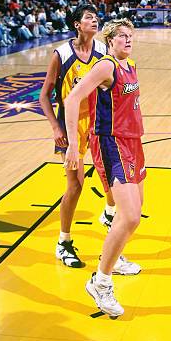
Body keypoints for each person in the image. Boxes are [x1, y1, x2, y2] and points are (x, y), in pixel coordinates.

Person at [63, 18, 146, 317]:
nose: (127, 40)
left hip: (133, 142)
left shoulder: (130, 65)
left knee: (134, 210)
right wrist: (74, 144)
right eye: (121, 36)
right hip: (112, 143)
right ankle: (101, 281)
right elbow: (73, 99)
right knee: (131, 216)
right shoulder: (106, 66)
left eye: (130, 35)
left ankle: (116, 255)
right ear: (109, 41)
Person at [39, 4, 115, 268]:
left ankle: (109, 214)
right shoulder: (62, 54)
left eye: (96, 17)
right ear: (76, 24)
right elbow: (44, 95)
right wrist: (55, 127)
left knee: (112, 178)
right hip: (71, 127)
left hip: (99, 122)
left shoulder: (104, 52)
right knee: (76, 185)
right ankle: (64, 242)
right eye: (89, 18)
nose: (95, 21)